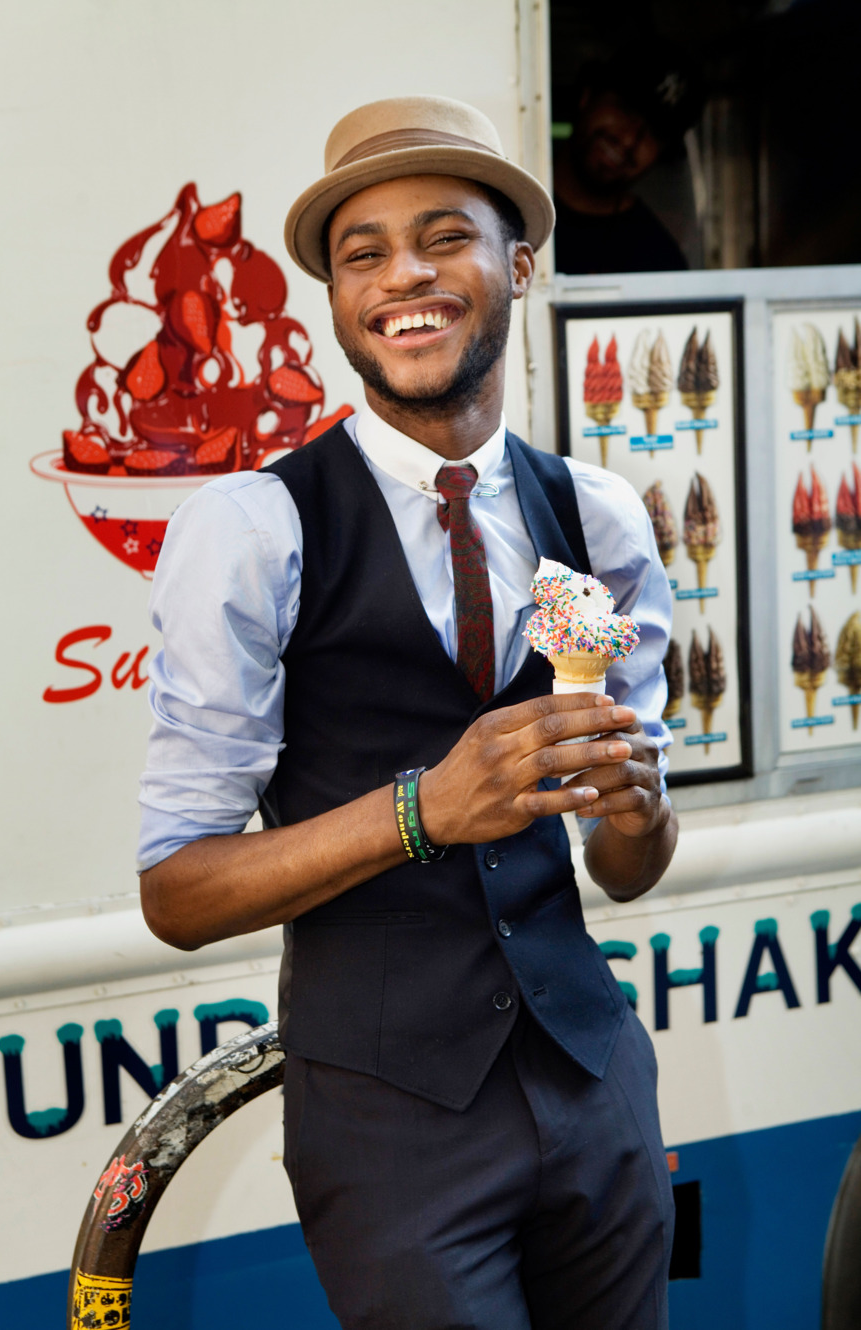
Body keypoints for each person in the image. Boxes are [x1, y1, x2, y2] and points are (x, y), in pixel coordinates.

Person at [138, 95, 678, 1329]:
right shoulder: (256, 530)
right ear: (335, 299)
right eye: (362, 252)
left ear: (517, 266)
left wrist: (639, 813)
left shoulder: (589, 520)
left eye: (445, 236)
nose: (404, 276)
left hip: (594, 1086)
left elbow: (625, 865)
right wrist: (423, 810)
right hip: (391, 1130)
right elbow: (177, 890)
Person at [553, 51, 702, 275]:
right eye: (625, 109)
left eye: (655, 132)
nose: (630, 139)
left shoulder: (657, 260)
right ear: (587, 96)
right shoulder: (504, 207)